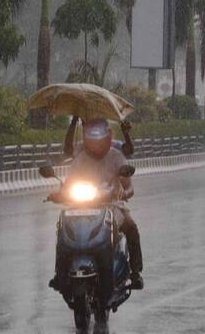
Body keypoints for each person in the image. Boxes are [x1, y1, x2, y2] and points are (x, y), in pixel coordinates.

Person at [53, 118, 144, 290]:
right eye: (91, 135)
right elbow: (68, 178)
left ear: (108, 135)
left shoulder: (116, 155)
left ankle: (135, 272)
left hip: (112, 205)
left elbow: (129, 186)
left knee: (131, 227)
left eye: (100, 135)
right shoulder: (80, 156)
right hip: (81, 205)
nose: (96, 141)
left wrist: (124, 193)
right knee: (61, 228)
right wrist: (60, 193)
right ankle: (60, 274)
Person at [63, 116, 134, 159]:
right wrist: (73, 122)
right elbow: (68, 150)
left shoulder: (113, 145)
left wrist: (126, 134)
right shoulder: (83, 147)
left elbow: (129, 150)